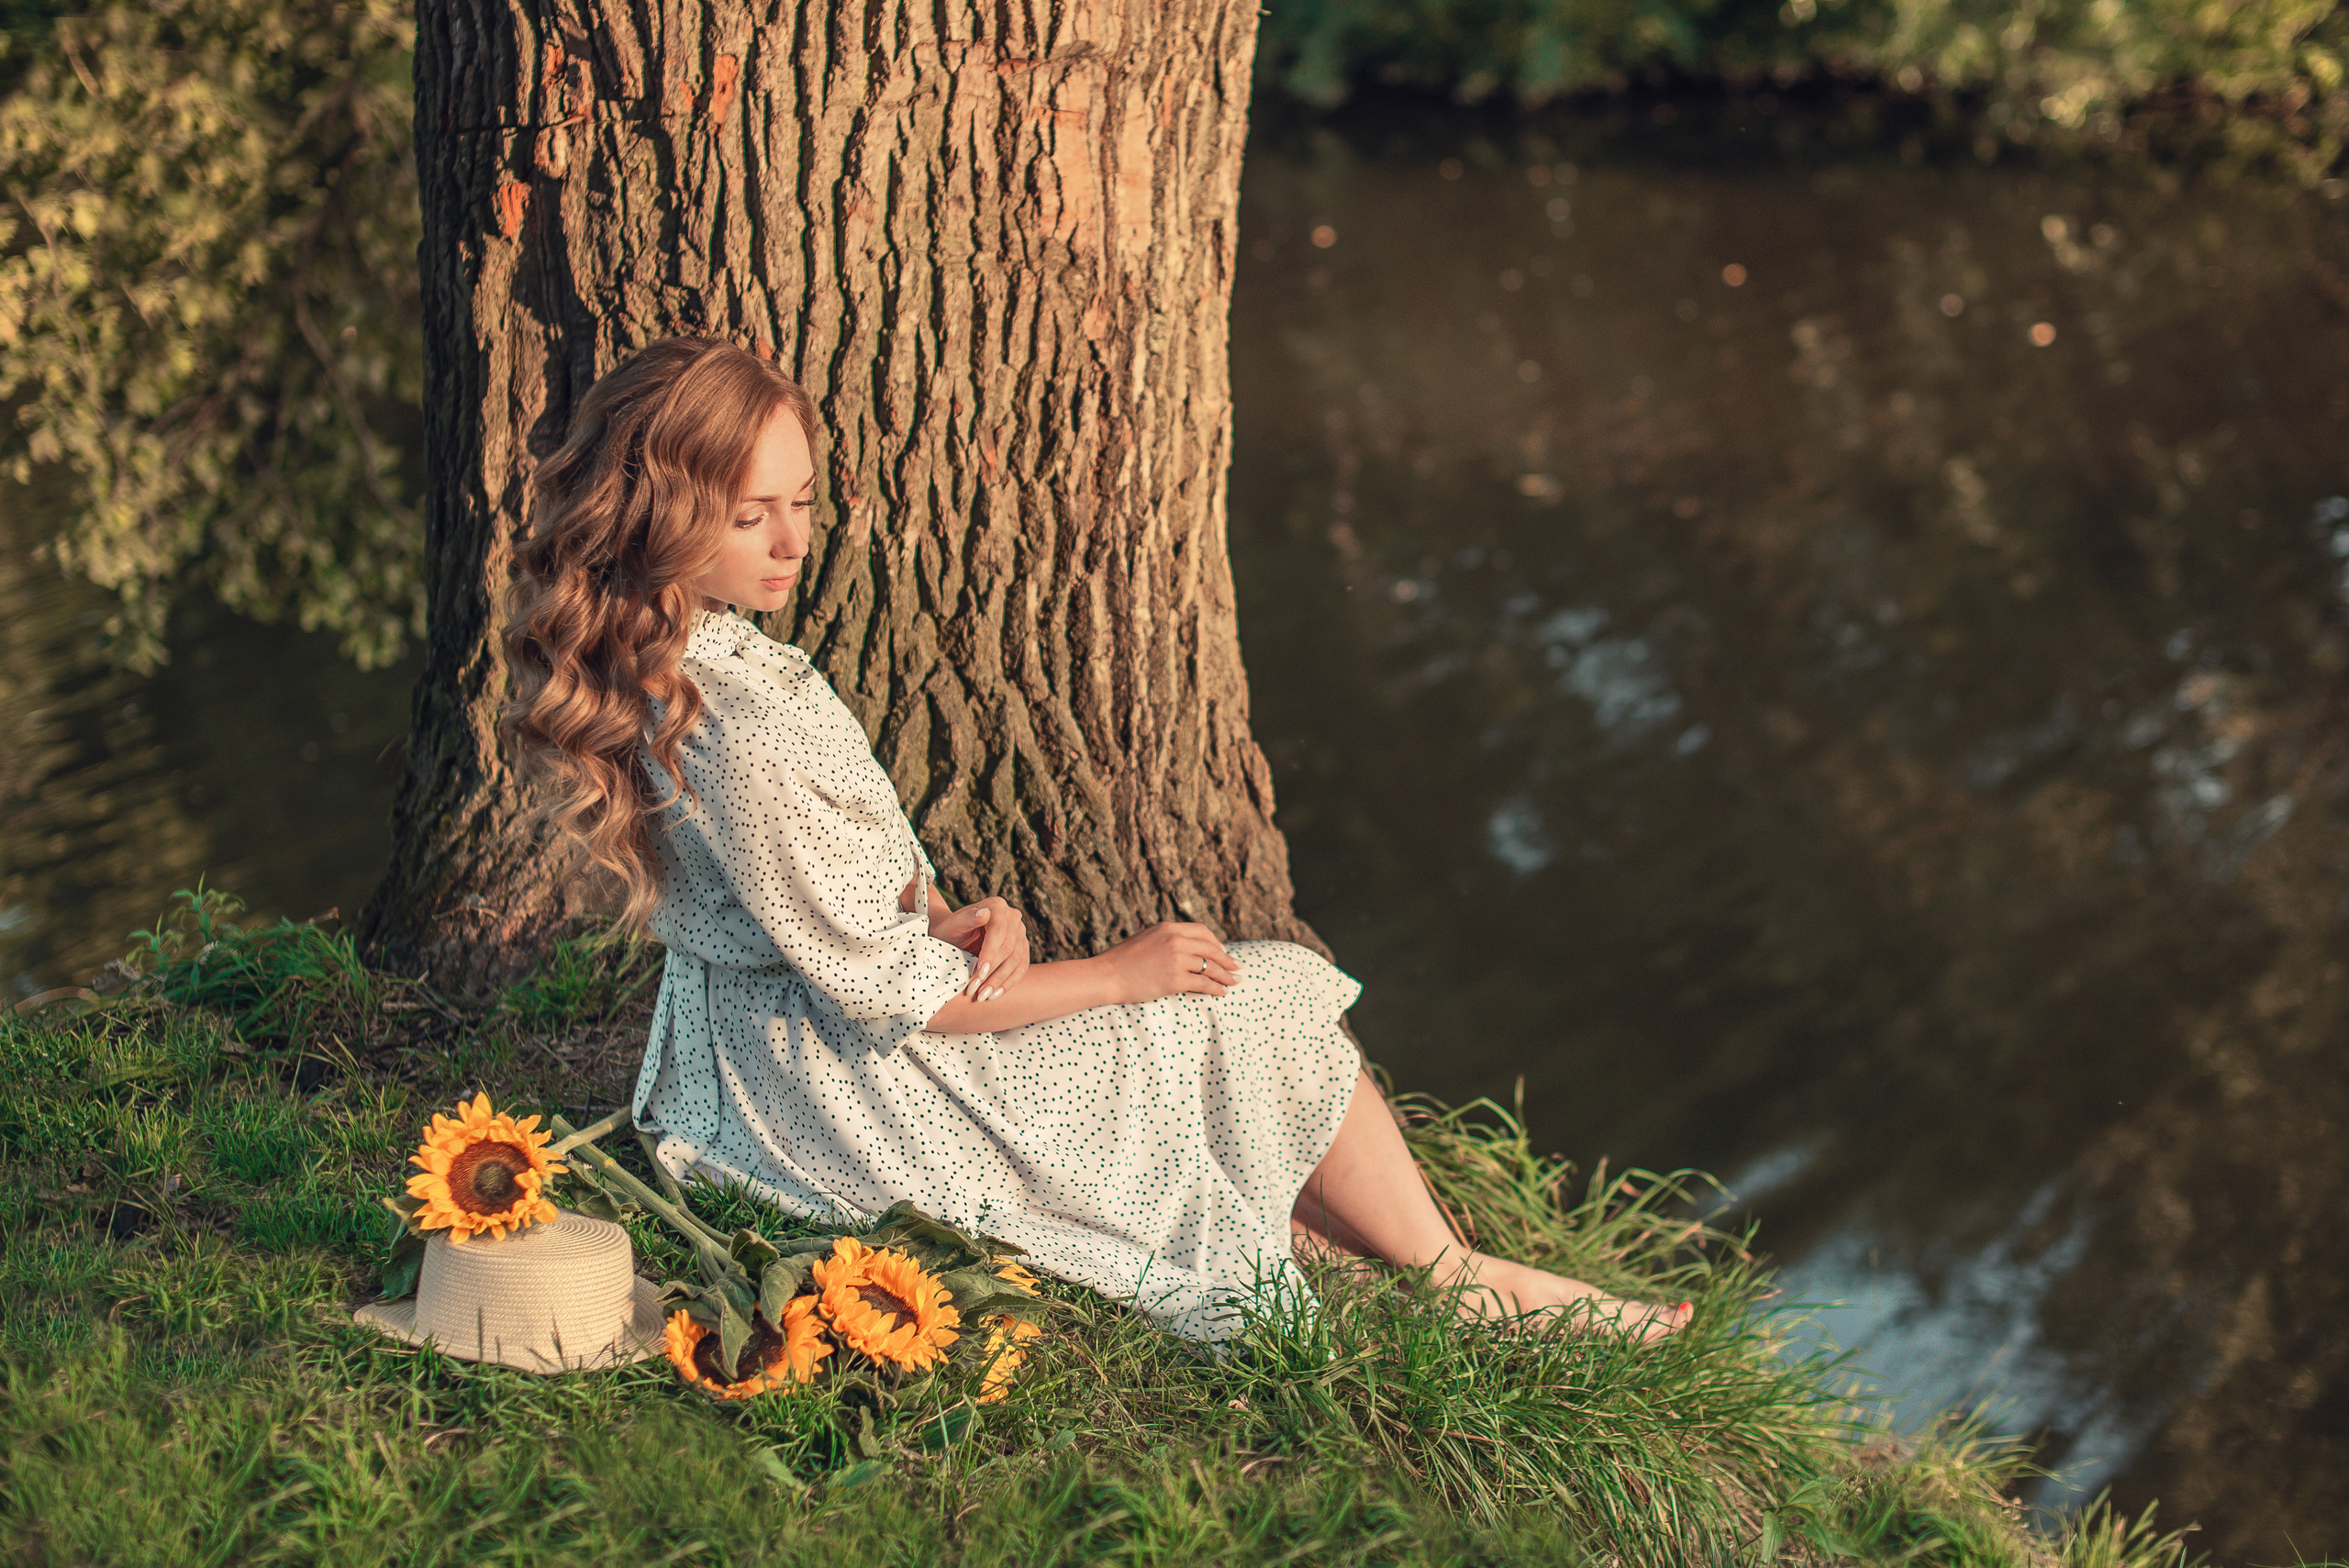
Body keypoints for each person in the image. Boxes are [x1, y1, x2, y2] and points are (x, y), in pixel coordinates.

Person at [503, 336, 1691, 1344]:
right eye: (748, 513)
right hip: (844, 1085)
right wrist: (1114, 973)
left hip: (839, 1021)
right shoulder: (726, 722)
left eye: (801, 503)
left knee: (1226, 1007)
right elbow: (879, 992)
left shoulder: (712, 662)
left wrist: (944, 915)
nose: (787, 539)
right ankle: (1463, 1286)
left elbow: (836, 901)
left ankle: (1437, 1276)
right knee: (1249, 992)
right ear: (661, 510)